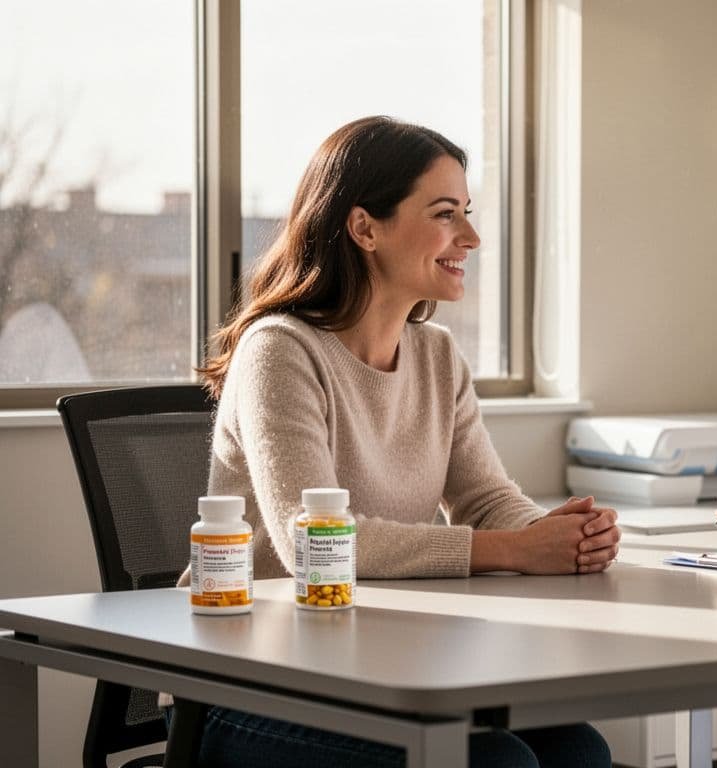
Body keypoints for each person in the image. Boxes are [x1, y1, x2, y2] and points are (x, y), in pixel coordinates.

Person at [189, 116, 616, 768]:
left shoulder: (438, 356)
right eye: (446, 214)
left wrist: (560, 536)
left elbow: (486, 498)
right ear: (365, 228)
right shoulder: (279, 350)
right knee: (499, 763)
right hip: (255, 691)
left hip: (378, 669)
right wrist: (517, 550)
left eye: (468, 214)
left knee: (579, 751)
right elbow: (313, 539)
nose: (470, 238)